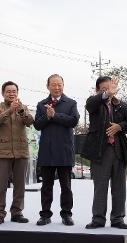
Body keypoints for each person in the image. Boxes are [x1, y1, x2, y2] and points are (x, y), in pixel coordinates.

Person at [82, 76, 127, 229]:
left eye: (110, 87)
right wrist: (106, 95)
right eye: (104, 89)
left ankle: (118, 219)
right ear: (98, 90)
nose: (109, 91)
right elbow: (90, 105)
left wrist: (120, 126)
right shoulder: (94, 102)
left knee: (119, 187)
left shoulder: (121, 105)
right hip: (100, 151)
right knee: (100, 186)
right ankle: (98, 219)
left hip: (119, 150)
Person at [34, 74, 80, 226]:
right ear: (48, 86)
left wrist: (55, 115)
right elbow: (37, 125)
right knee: (46, 186)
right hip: (47, 151)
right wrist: (47, 117)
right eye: (53, 84)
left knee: (66, 186)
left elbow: (73, 121)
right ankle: (45, 214)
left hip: (64, 151)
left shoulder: (71, 103)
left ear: (63, 85)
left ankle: (66, 214)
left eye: (59, 84)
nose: (57, 87)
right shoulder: (42, 104)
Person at [0, 81, 34, 225]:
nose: (11, 93)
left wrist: (21, 110)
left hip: (21, 151)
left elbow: (30, 121)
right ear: (3, 93)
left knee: (20, 185)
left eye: (14, 91)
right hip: (2, 152)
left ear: (17, 93)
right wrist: (10, 111)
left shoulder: (23, 107)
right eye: (8, 91)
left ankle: (17, 212)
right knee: (1, 185)